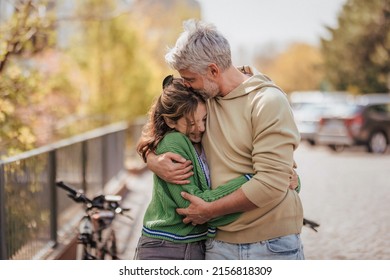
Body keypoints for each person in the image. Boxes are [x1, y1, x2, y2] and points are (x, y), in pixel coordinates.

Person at [146, 19, 304, 260]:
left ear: (213, 70)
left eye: (189, 78)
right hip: (218, 244)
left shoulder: (267, 102)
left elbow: (272, 183)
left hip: (271, 244)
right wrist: (151, 158)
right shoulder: (200, 99)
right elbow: (159, 121)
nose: (186, 85)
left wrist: (209, 210)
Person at [134, 75, 253, 260]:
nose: (200, 127)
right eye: (190, 123)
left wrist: (273, 178)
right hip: (167, 248)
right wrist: (254, 181)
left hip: (193, 245)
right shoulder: (174, 142)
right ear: (171, 121)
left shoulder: (203, 139)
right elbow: (194, 205)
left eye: (204, 119)